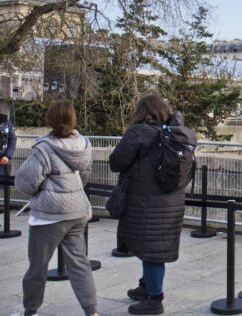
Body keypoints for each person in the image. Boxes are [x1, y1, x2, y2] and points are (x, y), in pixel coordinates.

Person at [14, 102, 97, 316]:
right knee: (79, 264)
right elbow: (86, 176)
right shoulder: (84, 145)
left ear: (49, 119)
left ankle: (30, 310)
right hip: (77, 210)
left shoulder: (44, 148)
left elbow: (26, 182)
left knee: (37, 266)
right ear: (73, 119)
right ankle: (92, 311)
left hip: (49, 215)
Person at [110, 95, 188, 315]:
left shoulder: (139, 132)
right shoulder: (176, 135)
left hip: (146, 201)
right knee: (153, 246)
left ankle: (154, 298)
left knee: (150, 249)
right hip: (170, 201)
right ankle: (147, 287)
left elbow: (116, 162)